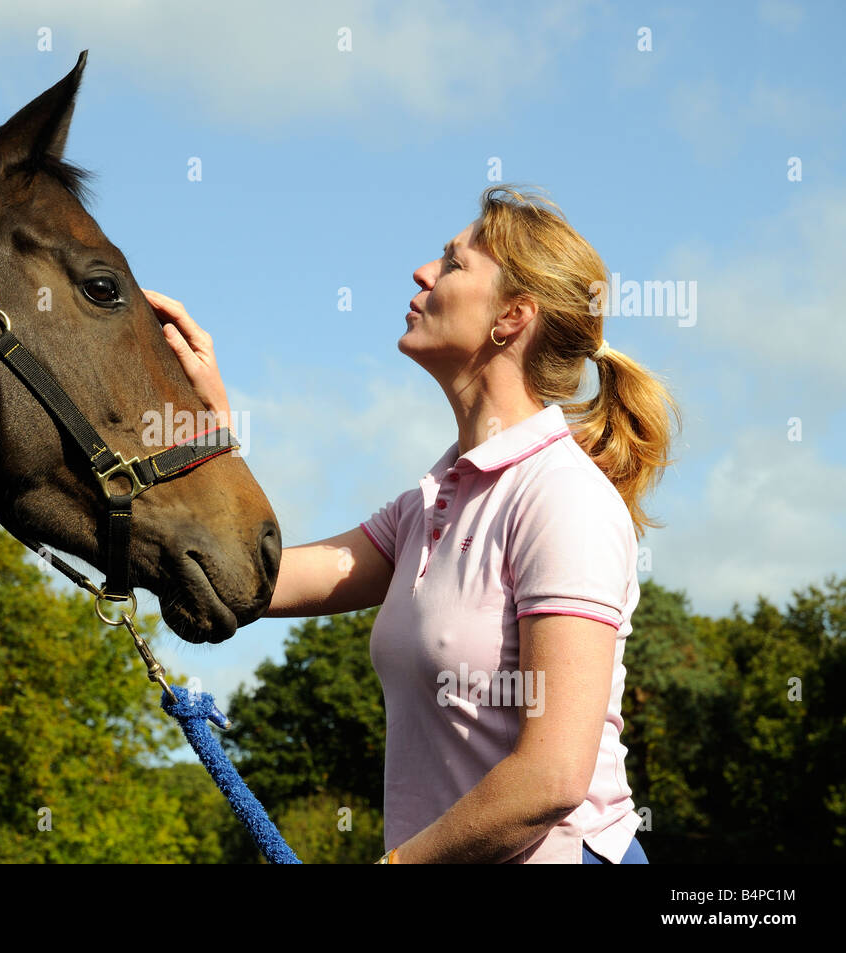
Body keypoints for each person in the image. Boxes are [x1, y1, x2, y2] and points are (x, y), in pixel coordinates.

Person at [145, 185, 681, 864]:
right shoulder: (425, 504)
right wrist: (207, 428)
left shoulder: (563, 498)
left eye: (453, 263)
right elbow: (250, 579)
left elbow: (552, 778)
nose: (422, 273)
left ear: (512, 317)